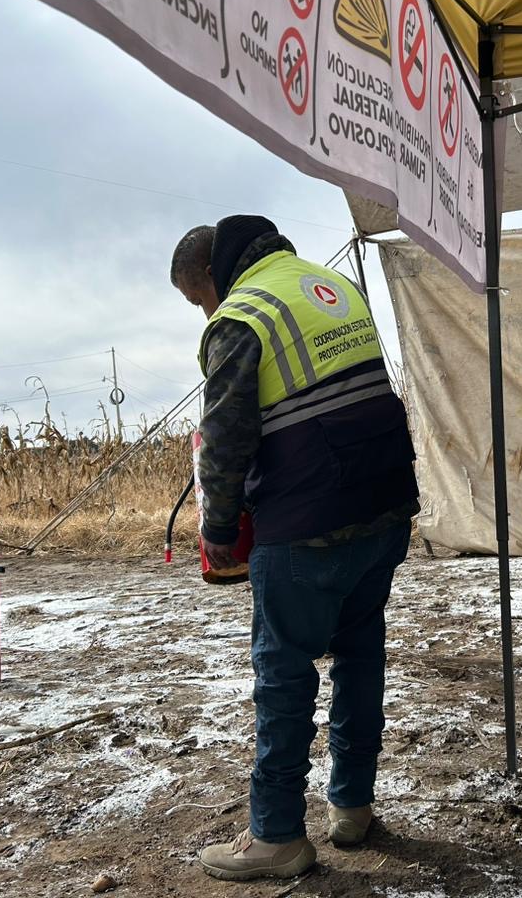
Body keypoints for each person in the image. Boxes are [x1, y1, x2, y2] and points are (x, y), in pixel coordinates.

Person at [171, 215, 419, 881]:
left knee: (285, 674)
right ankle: (352, 807)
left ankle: (277, 835)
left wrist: (220, 533)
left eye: (198, 298)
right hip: (386, 506)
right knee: (360, 655)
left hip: (308, 520)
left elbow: (223, 441)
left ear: (210, 277)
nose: (206, 310)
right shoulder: (327, 284)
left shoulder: (242, 315)